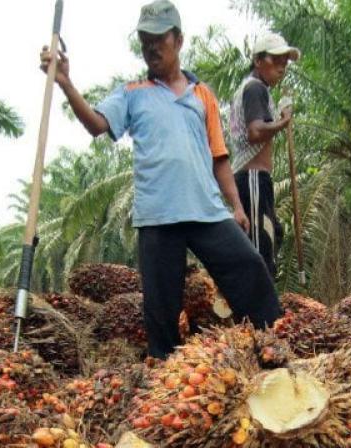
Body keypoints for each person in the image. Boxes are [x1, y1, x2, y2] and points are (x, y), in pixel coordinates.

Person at [39, 0, 282, 359]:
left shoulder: (203, 95)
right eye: (144, 40)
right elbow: (96, 124)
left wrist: (236, 205)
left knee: (250, 269)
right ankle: (165, 383)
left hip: (207, 212)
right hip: (158, 217)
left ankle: (276, 346)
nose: (151, 47)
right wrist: (65, 83)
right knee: (162, 312)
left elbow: (219, 157)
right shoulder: (132, 93)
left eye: (159, 39)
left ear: (178, 40)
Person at [227, 32, 300, 280]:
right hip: (253, 179)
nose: (283, 66)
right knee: (260, 253)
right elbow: (256, 131)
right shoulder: (255, 88)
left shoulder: (256, 90)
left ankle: (255, 310)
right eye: (277, 59)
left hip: (255, 180)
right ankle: (258, 316)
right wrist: (284, 121)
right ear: (259, 61)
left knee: (271, 236)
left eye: (286, 61)